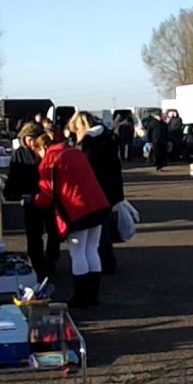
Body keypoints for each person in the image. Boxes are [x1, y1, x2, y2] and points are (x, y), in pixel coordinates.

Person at [29, 133, 111, 309]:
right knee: (92, 249)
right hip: (97, 203)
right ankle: (93, 296)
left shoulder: (50, 160)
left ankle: (80, 297)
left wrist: (33, 199)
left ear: (41, 148)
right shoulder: (75, 152)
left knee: (78, 252)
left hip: (76, 208)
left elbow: (47, 195)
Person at [68, 112, 125, 276]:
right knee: (104, 224)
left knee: (99, 228)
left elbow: (87, 166)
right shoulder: (107, 135)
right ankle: (107, 260)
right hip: (112, 185)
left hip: (97, 187)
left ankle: (105, 261)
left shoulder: (90, 141)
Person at [5, 123, 60, 280]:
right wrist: (11, 191)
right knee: (33, 233)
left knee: (53, 230)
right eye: (27, 139)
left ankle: (52, 259)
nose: (30, 142)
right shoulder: (20, 153)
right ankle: (36, 262)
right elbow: (14, 174)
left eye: (33, 139)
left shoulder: (47, 150)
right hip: (30, 197)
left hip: (49, 196)